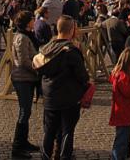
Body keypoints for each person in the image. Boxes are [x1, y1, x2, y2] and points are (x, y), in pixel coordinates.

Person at [35, 14, 90, 160]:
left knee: (49, 131)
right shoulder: (71, 51)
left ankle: (45, 156)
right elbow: (82, 75)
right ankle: (64, 156)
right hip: (68, 96)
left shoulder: (46, 49)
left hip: (49, 95)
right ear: (72, 30)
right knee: (67, 131)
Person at [11, 10, 39, 158]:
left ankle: (24, 141)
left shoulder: (28, 35)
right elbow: (23, 60)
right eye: (32, 19)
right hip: (22, 78)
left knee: (27, 111)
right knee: (24, 111)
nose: (35, 21)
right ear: (28, 22)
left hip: (28, 78)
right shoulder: (21, 37)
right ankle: (17, 146)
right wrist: (37, 68)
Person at [109, 47, 130, 160]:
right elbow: (129, 93)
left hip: (123, 111)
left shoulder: (120, 74)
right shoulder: (122, 76)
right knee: (122, 140)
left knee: (123, 138)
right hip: (124, 112)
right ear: (129, 62)